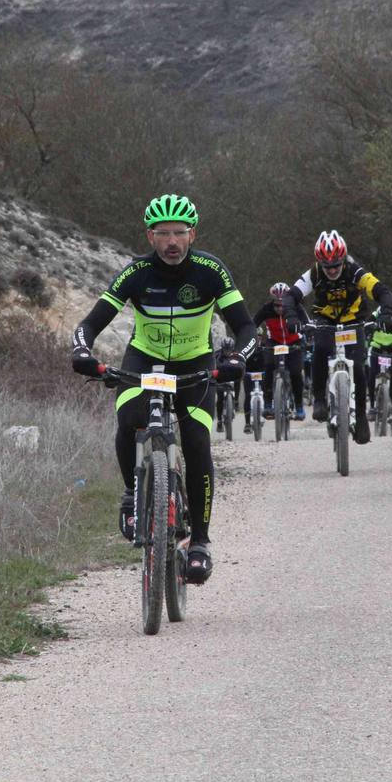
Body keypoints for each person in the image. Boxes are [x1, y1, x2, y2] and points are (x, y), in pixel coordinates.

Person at [71, 194, 257, 584]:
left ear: (192, 234)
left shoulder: (210, 270)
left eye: (179, 233)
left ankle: (201, 543)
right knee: (129, 421)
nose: (172, 242)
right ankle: (130, 494)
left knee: (196, 439)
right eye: (163, 234)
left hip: (195, 363)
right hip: (145, 358)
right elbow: (90, 322)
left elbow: (246, 327)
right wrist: (82, 349)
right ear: (150, 237)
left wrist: (237, 358)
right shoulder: (136, 273)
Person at [282, 230, 392, 446]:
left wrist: (387, 311)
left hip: (353, 320)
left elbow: (381, 291)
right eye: (328, 267)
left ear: (343, 260)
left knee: (359, 368)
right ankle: (319, 399)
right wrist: (290, 316)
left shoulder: (355, 271)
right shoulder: (315, 273)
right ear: (320, 263)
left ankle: (361, 417)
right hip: (325, 319)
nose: (332, 270)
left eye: (336, 265)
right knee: (321, 349)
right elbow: (291, 296)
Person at [254, 282, 307, 421]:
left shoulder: (296, 307)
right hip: (274, 342)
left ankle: (299, 406)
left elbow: (307, 321)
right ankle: (268, 403)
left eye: (282, 304)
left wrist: (307, 333)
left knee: (296, 373)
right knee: (268, 366)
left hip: (294, 342)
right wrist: (252, 339)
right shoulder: (266, 309)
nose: (279, 308)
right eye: (276, 305)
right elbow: (253, 324)